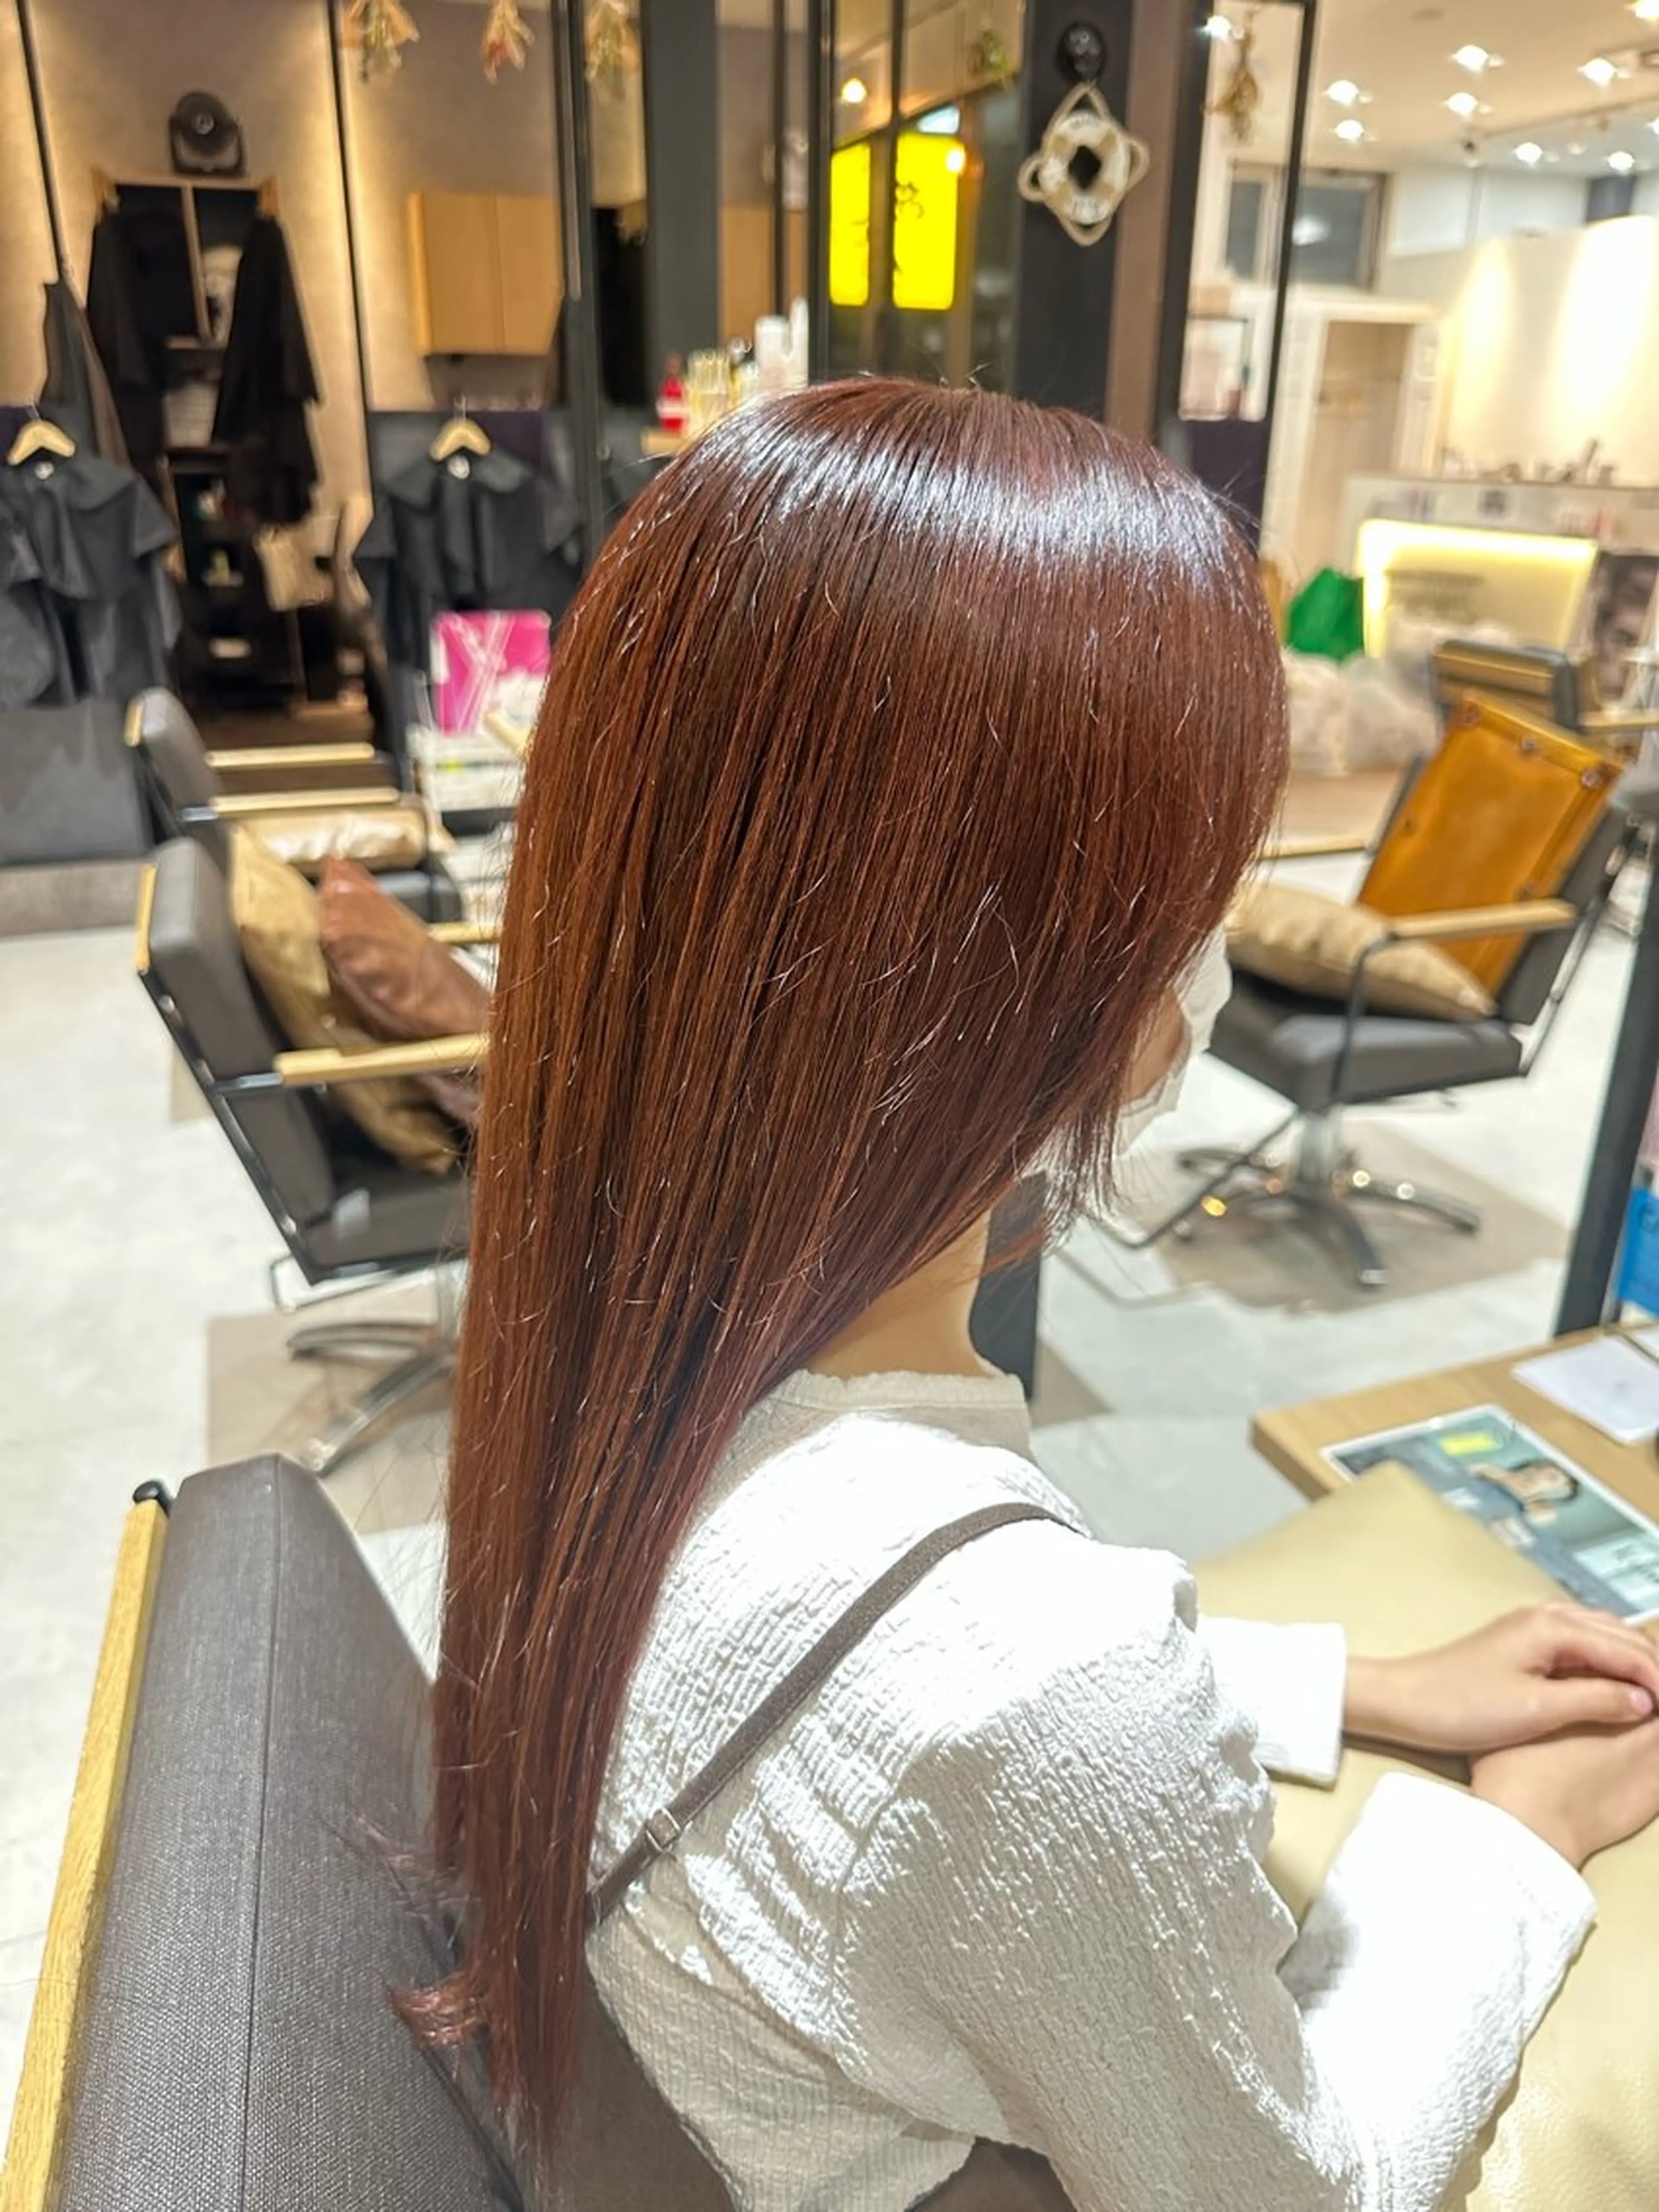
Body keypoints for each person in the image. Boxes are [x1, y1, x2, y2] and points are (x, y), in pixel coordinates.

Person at [418, 381, 1659, 2209]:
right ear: (1051, 991)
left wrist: (1363, 1681)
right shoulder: (1022, 1673)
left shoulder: (617, 1365)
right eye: (1190, 888)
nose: (1211, 947)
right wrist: (1513, 1844)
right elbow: (1290, 2187)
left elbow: (878, 1722)